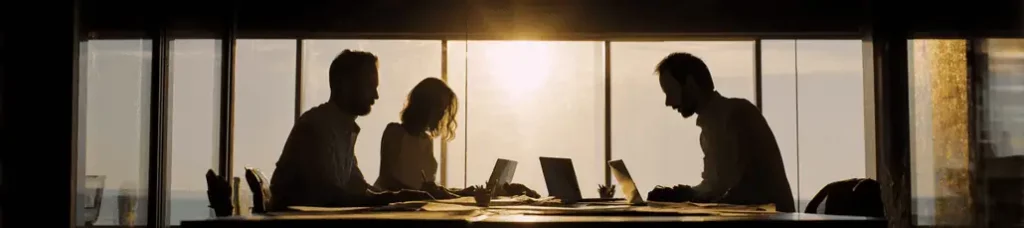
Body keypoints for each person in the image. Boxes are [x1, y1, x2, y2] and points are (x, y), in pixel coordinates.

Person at [269, 50, 434, 210]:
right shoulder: (316, 127)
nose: (376, 95)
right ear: (345, 85)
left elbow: (358, 187)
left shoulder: (340, 129)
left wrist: (400, 196)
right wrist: (394, 198)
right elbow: (329, 197)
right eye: (369, 86)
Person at [647, 52, 795, 212]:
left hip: (771, 220)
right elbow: (715, 186)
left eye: (670, 91)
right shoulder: (708, 130)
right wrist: (685, 194)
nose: (668, 102)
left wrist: (697, 200)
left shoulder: (739, 114)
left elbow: (749, 187)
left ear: (690, 84)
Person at [373, 78, 460, 199]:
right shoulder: (395, 132)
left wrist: (461, 193)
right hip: (390, 207)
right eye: (439, 108)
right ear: (425, 105)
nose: (441, 114)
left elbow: (426, 188)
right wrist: (421, 195)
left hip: (416, 209)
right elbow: (387, 181)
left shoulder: (427, 141)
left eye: (444, 110)